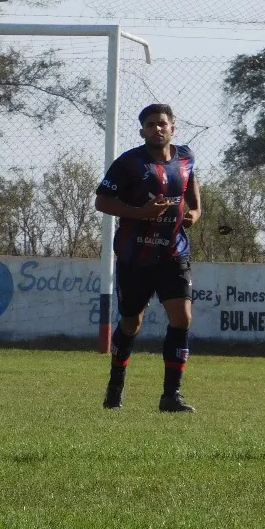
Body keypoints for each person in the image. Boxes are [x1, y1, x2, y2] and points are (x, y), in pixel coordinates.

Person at [95, 103, 201, 412]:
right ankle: (115, 384)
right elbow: (102, 201)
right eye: (151, 124)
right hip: (134, 255)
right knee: (131, 321)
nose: (157, 128)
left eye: (162, 124)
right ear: (142, 130)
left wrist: (194, 213)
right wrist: (140, 213)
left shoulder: (186, 158)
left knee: (182, 318)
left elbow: (193, 197)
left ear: (173, 128)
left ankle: (171, 396)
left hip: (173, 252)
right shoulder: (128, 163)